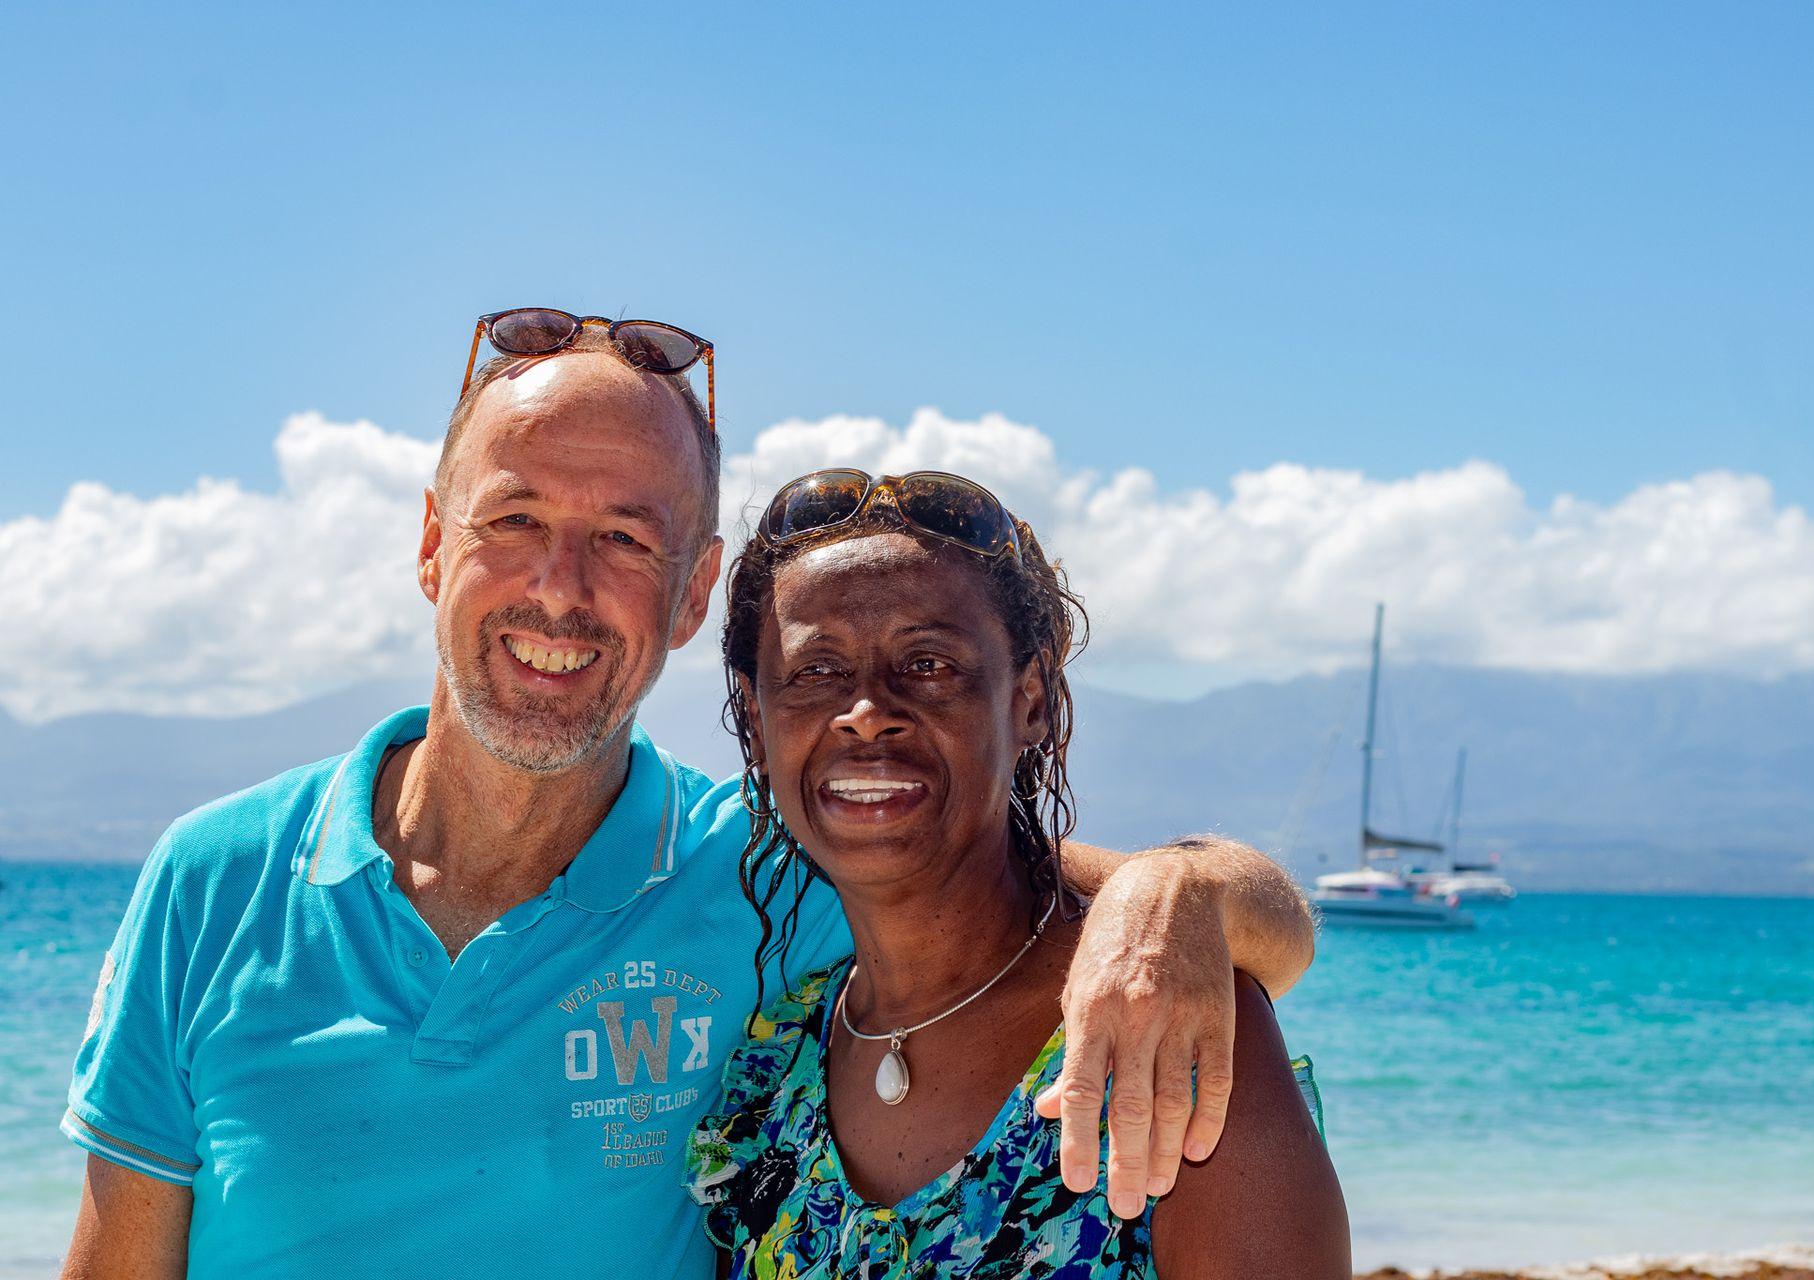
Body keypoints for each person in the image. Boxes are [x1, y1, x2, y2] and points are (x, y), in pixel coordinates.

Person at [59, 311, 1320, 1279]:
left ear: (693, 590)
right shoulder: (214, 876)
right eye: (514, 519)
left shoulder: (774, 869)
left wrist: (1176, 888)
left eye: (624, 535)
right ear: (434, 540)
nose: (559, 586)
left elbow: (1202, 920)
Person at [688, 468, 1349, 1277]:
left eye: (928, 664)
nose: (866, 710)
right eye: (815, 672)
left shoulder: (1159, 1023)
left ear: (1030, 699)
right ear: (756, 723)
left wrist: (1180, 885)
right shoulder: (769, 1067)